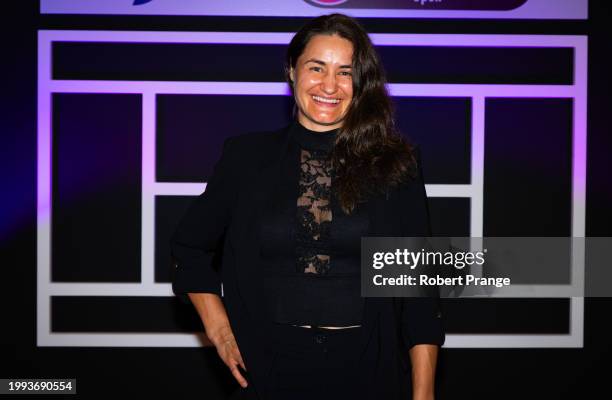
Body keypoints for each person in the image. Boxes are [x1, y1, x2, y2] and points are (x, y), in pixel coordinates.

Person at [171, 13, 444, 400]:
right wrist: (219, 330)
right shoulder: (246, 158)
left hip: (369, 373)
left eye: (345, 72)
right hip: (269, 373)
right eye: (316, 68)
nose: (329, 86)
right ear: (291, 71)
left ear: (361, 82)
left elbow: (417, 287)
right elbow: (189, 248)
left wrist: (424, 393)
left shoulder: (395, 164)